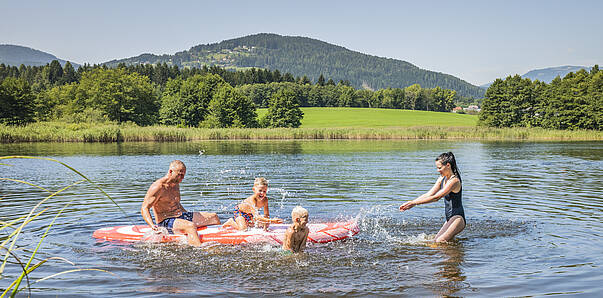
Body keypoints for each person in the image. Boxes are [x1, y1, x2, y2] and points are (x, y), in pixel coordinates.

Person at [141, 160, 220, 247]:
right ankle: (200, 249)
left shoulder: (176, 183)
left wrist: (186, 215)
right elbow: (145, 208)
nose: (182, 178)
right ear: (171, 171)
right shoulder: (158, 187)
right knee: (190, 226)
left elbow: (175, 203)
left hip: (180, 216)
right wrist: (152, 226)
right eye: (179, 174)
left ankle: (224, 238)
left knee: (214, 217)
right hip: (166, 221)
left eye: (183, 175)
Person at [399, 152, 465, 243]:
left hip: (458, 218)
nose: (438, 170)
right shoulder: (442, 178)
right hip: (450, 218)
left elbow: (436, 198)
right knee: (436, 241)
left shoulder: (454, 181)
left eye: (439, 168)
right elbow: (429, 194)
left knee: (440, 241)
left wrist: (414, 203)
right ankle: (454, 255)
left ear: (448, 165)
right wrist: (411, 202)